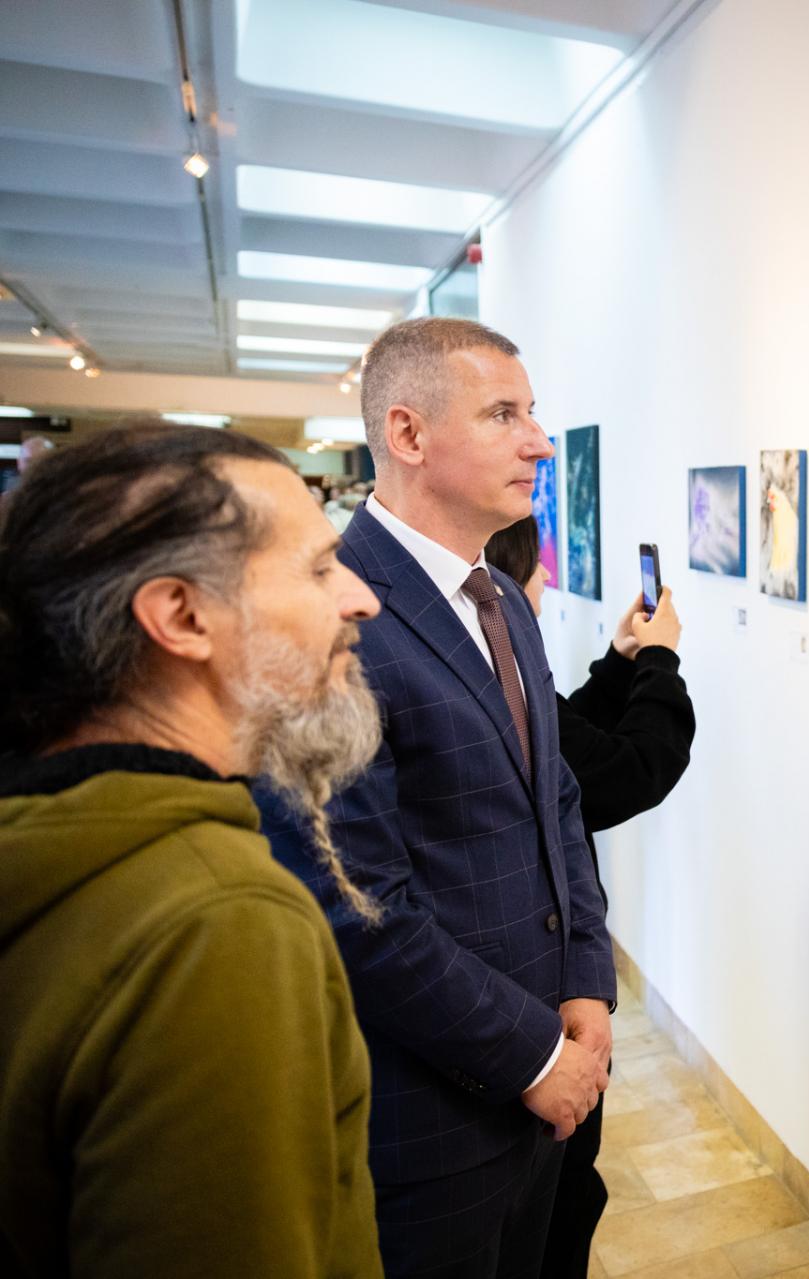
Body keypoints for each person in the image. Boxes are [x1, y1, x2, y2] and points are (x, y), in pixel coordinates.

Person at [258, 318, 617, 1279]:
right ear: (409, 434)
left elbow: (558, 802)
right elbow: (356, 905)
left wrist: (585, 979)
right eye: (504, 415)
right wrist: (535, 1056)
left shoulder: (498, 599)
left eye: (533, 412)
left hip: (544, 1090)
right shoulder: (335, 617)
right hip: (431, 1125)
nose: (540, 442)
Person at [0, 421, 385, 1277]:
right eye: (320, 568)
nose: (361, 598)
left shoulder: (51, 834)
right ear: (182, 615)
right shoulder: (220, 925)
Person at [484, 516, 696, 1279]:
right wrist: (662, 659)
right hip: (537, 1013)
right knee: (560, 1210)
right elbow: (627, 767)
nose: (548, 578)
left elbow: (566, 738)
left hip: (547, 993)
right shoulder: (497, 663)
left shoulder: (497, 659)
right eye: (537, 566)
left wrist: (620, 659)